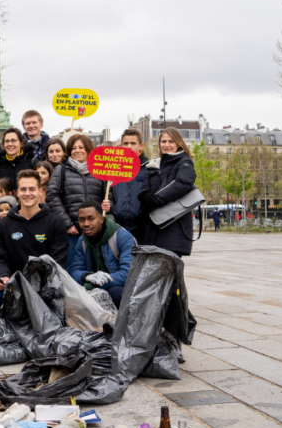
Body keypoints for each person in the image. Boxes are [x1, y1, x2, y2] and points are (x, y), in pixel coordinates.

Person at [0, 170, 69, 316]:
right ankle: (1, 331)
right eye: (23, 189)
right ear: (17, 192)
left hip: (45, 286)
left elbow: (58, 262)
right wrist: (3, 275)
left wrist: (37, 284)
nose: (27, 193)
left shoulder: (56, 223)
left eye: (32, 189)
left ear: (41, 191)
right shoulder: (4, 224)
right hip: (13, 284)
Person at [46, 133, 105, 269]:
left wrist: (109, 206)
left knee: (95, 268)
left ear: (88, 149)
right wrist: (67, 224)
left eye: (81, 147)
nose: (77, 150)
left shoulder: (99, 170)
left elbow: (108, 198)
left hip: (95, 232)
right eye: (74, 148)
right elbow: (52, 197)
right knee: (72, 268)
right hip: (72, 232)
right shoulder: (61, 170)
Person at [139, 127, 197, 256]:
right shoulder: (155, 163)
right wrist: (144, 195)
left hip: (174, 227)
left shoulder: (184, 162)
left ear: (178, 143)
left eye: (171, 141)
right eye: (163, 141)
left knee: (169, 271)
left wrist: (157, 199)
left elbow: (183, 183)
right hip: (155, 226)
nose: (166, 145)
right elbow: (145, 187)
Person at [67, 201, 136, 308]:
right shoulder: (82, 241)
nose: (86, 224)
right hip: (94, 285)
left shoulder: (122, 236)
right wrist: (88, 276)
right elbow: (75, 271)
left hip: (119, 286)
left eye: (91, 219)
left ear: (101, 219)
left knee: (116, 293)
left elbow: (129, 274)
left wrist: (95, 283)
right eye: (81, 220)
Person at [102, 129, 149, 242]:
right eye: (126, 143)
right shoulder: (113, 170)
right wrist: (109, 206)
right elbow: (111, 196)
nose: (129, 147)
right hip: (119, 228)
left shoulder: (148, 169)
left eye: (133, 143)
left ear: (141, 146)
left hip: (143, 229)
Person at [0, 128, 36, 221]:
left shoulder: (31, 162)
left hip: (27, 212)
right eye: (7, 141)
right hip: (4, 214)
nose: (10, 144)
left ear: (21, 142)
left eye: (13, 140)